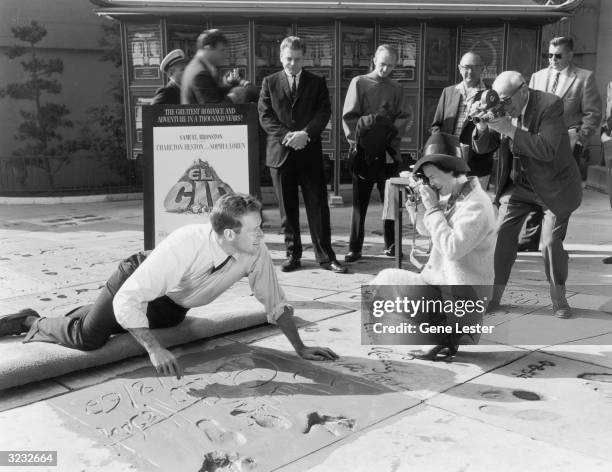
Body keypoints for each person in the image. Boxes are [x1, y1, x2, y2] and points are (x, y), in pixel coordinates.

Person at [0, 194, 339, 378]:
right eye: (255, 230)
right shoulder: (186, 244)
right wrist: (153, 348)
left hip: (173, 306)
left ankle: (88, 313)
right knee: (91, 337)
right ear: (230, 234)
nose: (263, 235)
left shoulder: (255, 251)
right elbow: (131, 299)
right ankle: (32, 321)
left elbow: (274, 302)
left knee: (141, 320)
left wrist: (300, 348)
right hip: (137, 279)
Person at [370, 132, 496, 361]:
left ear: (452, 169)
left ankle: (443, 334)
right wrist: (417, 206)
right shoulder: (456, 196)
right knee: (381, 283)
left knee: (385, 285)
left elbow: (451, 247)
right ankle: (443, 335)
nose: (432, 183)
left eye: (433, 176)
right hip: (442, 288)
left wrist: (433, 208)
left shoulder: (477, 205)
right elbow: (427, 231)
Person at [471, 71, 582, 318]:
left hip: (553, 186)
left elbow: (547, 150)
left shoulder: (550, 105)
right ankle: (492, 297)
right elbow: (483, 148)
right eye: (499, 101)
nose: (504, 106)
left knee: (551, 244)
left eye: (507, 101)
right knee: (500, 238)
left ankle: (559, 300)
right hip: (517, 186)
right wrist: (481, 126)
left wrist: (509, 129)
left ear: (523, 90)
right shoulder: (503, 106)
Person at [258, 36, 347, 274]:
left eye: (297, 59)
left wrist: (305, 134)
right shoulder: (269, 82)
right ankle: (292, 255)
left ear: (303, 58)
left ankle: (326, 257)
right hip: (281, 152)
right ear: (281, 57)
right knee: (287, 210)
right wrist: (289, 136)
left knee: (318, 206)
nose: (292, 64)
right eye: (288, 59)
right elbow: (265, 116)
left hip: (309, 153)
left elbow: (323, 111)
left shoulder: (317, 82)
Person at [519, 36, 602, 251]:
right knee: (534, 185)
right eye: (549, 55)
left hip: (566, 147)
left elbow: (593, 114)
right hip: (538, 143)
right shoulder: (537, 77)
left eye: (558, 55)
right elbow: (526, 106)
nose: (552, 60)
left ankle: (553, 240)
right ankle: (529, 239)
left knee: (559, 193)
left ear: (570, 55)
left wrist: (579, 139)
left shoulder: (584, 78)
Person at [342, 44, 407, 263]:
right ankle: (355, 247)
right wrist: (360, 142)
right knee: (360, 203)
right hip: (363, 152)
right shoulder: (359, 83)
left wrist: (387, 138)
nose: (385, 69)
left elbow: (404, 118)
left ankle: (392, 245)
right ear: (373, 60)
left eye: (390, 65)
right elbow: (349, 117)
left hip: (388, 152)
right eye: (382, 64)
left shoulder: (397, 88)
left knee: (391, 202)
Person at [431, 51, 494, 190]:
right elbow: (437, 125)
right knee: (449, 204)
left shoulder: (490, 94)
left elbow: (495, 129)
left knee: (474, 206)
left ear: (482, 69)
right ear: (460, 68)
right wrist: (439, 149)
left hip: (477, 162)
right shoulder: (448, 92)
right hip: (449, 160)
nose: (469, 71)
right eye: (466, 67)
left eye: (474, 67)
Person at [181, 29, 243, 105]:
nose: (225, 55)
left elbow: (212, 93)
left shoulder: (197, 66)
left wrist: (230, 85)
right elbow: (213, 111)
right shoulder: (200, 73)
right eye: (222, 50)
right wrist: (234, 96)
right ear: (208, 48)